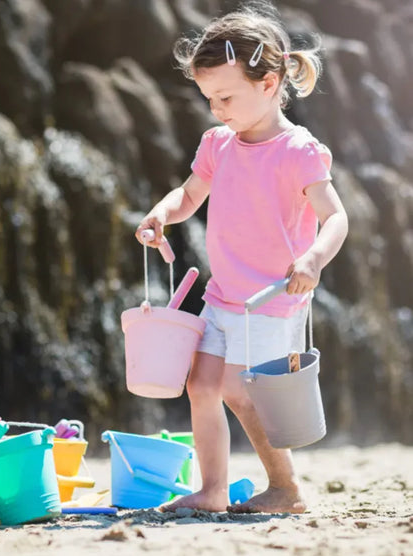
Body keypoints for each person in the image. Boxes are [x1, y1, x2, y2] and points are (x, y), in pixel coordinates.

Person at [135, 4, 348, 514]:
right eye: (210, 98)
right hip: (224, 294)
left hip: (272, 299)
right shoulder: (218, 145)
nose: (217, 109)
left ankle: (285, 488)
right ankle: (211, 490)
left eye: (226, 96)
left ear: (270, 83)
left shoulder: (298, 150)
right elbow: (188, 196)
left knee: (242, 391)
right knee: (202, 385)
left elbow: (336, 218)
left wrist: (313, 260)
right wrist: (160, 215)